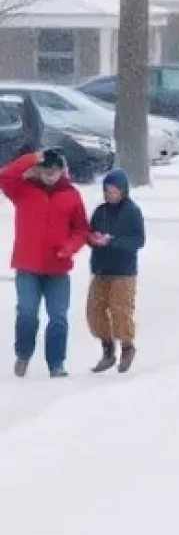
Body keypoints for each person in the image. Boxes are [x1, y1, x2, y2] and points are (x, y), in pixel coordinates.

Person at [2, 148, 90, 379]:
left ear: (62, 171)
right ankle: (23, 353)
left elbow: (81, 229)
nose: (50, 176)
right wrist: (31, 158)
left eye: (55, 171)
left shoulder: (71, 195)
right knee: (27, 313)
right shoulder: (23, 190)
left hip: (58, 269)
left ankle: (56, 364)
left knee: (58, 317)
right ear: (38, 170)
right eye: (46, 171)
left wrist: (70, 247)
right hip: (27, 265)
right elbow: (4, 176)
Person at [86, 169, 145, 374]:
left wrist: (113, 242)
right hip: (101, 268)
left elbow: (138, 240)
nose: (110, 195)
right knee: (95, 311)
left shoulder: (132, 212)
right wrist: (93, 239)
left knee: (120, 310)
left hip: (123, 271)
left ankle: (127, 347)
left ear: (123, 191)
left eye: (114, 191)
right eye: (107, 191)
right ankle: (107, 349)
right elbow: (90, 232)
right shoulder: (100, 212)